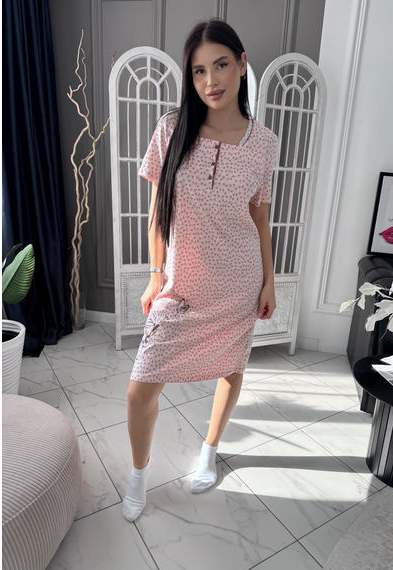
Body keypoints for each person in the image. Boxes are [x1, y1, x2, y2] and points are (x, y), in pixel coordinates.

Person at [122, 18, 279, 522]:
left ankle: (209, 450)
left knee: (232, 370)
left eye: (221, 65)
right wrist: (155, 275)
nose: (210, 81)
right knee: (140, 389)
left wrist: (269, 280)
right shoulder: (171, 128)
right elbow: (157, 209)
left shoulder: (265, 143)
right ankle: (139, 473)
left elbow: (260, 217)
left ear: (242, 64)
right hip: (182, 284)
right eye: (198, 71)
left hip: (238, 282)